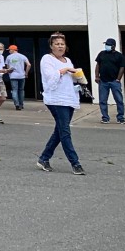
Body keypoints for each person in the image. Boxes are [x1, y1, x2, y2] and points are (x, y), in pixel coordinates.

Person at [37, 31, 87, 175]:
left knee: (59, 131)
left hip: (69, 98)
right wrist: (64, 70)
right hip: (55, 99)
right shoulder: (47, 59)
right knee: (65, 131)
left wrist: (78, 77)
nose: (60, 47)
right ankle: (75, 163)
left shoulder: (68, 60)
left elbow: (70, 80)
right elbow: (50, 79)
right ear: (51, 46)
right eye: (57, 44)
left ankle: (44, 158)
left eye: (62, 44)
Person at [94, 37, 125, 124]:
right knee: (102, 100)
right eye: (106, 44)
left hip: (114, 81)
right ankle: (105, 117)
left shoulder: (119, 56)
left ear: (113, 46)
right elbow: (98, 65)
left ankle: (120, 117)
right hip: (103, 81)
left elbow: (122, 67)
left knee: (119, 100)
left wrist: (118, 79)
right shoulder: (101, 54)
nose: (106, 46)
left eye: (108, 45)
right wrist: (97, 76)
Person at [6, 44, 30, 110]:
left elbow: (8, 67)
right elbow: (29, 65)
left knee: (14, 90)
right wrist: (26, 73)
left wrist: (9, 72)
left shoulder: (9, 57)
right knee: (21, 90)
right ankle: (21, 104)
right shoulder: (22, 56)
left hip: (13, 76)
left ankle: (16, 104)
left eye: (9, 50)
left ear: (12, 50)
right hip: (21, 76)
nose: (9, 51)